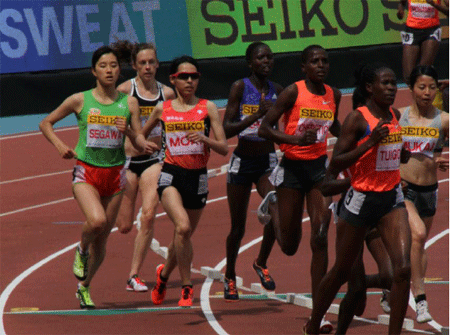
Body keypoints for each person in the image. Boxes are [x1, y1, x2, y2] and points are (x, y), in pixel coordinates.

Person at [39, 46, 156, 309]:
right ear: (94, 71)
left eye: (114, 65)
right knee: (97, 221)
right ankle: (81, 250)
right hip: (86, 172)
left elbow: (137, 140)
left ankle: (84, 287)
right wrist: (60, 146)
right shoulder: (80, 100)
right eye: (103, 65)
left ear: (119, 70)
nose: (109, 70)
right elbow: (46, 123)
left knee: (102, 241)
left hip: (115, 176)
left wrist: (136, 138)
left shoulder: (129, 103)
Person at [303, 63, 412, 335]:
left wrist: (402, 153)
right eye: (384, 83)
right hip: (360, 201)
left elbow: (396, 155)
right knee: (341, 271)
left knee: (402, 270)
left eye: (393, 83)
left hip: (391, 199)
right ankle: (313, 325)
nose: (390, 88)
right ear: (369, 88)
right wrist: (370, 142)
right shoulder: (357, 119)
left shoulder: (395, 115)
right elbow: (335, 164)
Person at [258, 44, 341, 333]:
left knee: (320, 236)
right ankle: (272, 205)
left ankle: (317, 317)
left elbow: (335, 128)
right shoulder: (293, 92)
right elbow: (264, 129)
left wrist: (363, 135)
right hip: (292, 169)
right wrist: (294, 141)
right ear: (303, 67)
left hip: (319, 169)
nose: (321, 65)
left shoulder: (334, 94)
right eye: (314, 61)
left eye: (325, 61)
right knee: (290, 246)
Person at [141, 55, 228, 307]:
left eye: (194, 77)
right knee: (183, 228)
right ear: (173, 80)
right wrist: (140, 142)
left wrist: (205, 139)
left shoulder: (208, 108)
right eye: (184, 77)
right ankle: (187, 287)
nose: (190, 81)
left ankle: (163, 276)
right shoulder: (163, 109)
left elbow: (223, 148)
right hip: (170, 175)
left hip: (198, 177)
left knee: (182, 237)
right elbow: (140, 137)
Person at [221, 42, 284, 301]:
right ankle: (230, 275)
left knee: (275, 208)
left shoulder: (278, 91)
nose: (267, 61)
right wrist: (255, 116)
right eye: (261, 58)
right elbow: (226, 129)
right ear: (250, 62)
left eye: (270, 57)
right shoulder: (240, 87)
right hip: (242, 162)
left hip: (266, 162)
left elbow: (282, 128)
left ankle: (260, 261)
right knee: (238, 228)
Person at [112, 41, 176, 292]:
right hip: (127, 162)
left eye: (152, 62)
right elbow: (114, 127)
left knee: (149, 214)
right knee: (125, 226)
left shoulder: (167, 94)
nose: (148, 67)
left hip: (154, 161)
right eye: (142, 63)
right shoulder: (125, 90)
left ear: (158, 64)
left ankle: (134, 275)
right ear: (134, 65)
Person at [399, 64, 449, 323]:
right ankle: (420, 301)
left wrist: (442, 159)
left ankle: (391, 287)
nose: (427, 92)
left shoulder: (443, 120)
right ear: (411, 89)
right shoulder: (399, 117)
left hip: (429, 191)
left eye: (431, 87)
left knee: (416, 248)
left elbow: (438, 148)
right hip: (404, 189)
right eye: (422, 87)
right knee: (417, 236)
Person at [397, 0, 447, 84]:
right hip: (411, 30)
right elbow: (401, 3)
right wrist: (400, 11)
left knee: (422, 72)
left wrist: (434, 4)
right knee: (408, 77)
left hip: (431, 30)